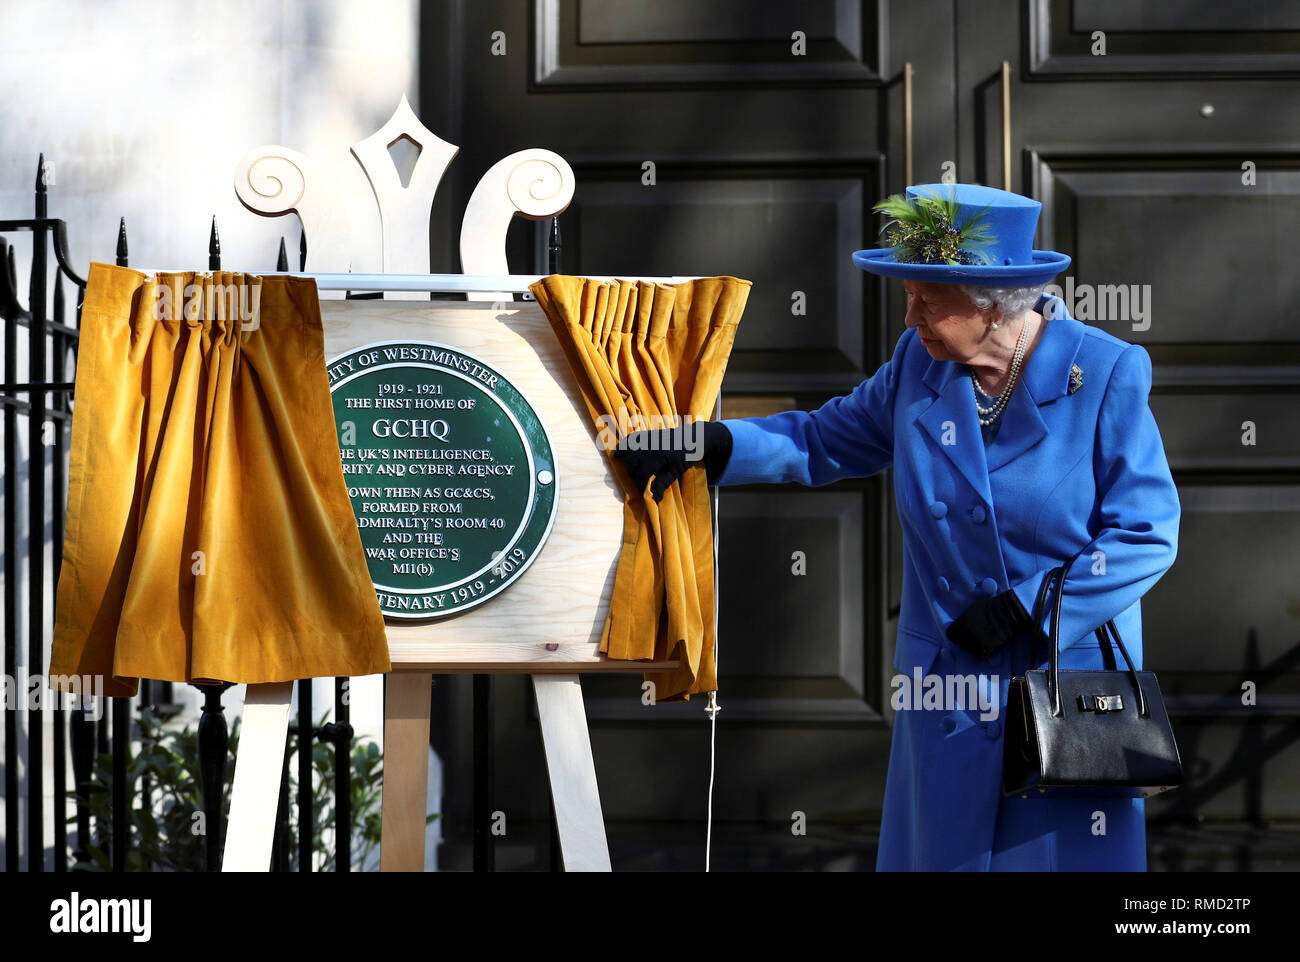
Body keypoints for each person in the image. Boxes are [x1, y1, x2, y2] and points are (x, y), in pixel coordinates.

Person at [617, 183, 1180, 871]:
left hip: (1061, 687)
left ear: (992, 305)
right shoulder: (920, 366)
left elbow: (1146, 533)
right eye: (908, 295)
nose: (910, 316)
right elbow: (824, 440)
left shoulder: (1103, 374)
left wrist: (1029, 608)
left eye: (928, 301)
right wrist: (715, 444)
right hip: (947, 681)